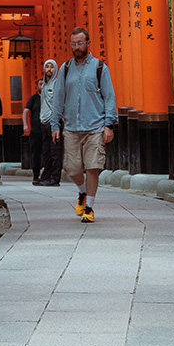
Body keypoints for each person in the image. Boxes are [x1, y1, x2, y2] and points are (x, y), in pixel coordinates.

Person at [50, 27, 117, 223]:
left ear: (88, 43)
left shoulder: (99, 68)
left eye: (80, 43)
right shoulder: (66, 68)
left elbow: (109, 97)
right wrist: (55, 124)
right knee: (72, 168)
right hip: (71, 127)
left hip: (94, 127)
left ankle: (89, 208)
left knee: (93, 167)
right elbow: (59, 98)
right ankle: (82, 192)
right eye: (74, 43)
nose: (77, 47)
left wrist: (109, 124)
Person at [37, 58, 62, 186]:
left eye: (52, 67)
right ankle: (45, 176)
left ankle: (55, 178)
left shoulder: (57, 84)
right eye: (47, 67)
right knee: (46, 151)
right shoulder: (44, 86)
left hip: (54, 122)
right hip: (44, 122)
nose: (49, 70)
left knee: (55, 152)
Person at [25, 78, 45, 184]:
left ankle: (46, 174)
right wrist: (25, 125)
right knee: (36, 153)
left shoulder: (50, 98)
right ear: (37, 87)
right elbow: (26, 111)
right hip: (36, 130)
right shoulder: (33, 98)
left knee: (47, 153)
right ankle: (36, 175)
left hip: (47, 130)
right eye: (40, 84)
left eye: (44, 84)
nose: (42, 86)